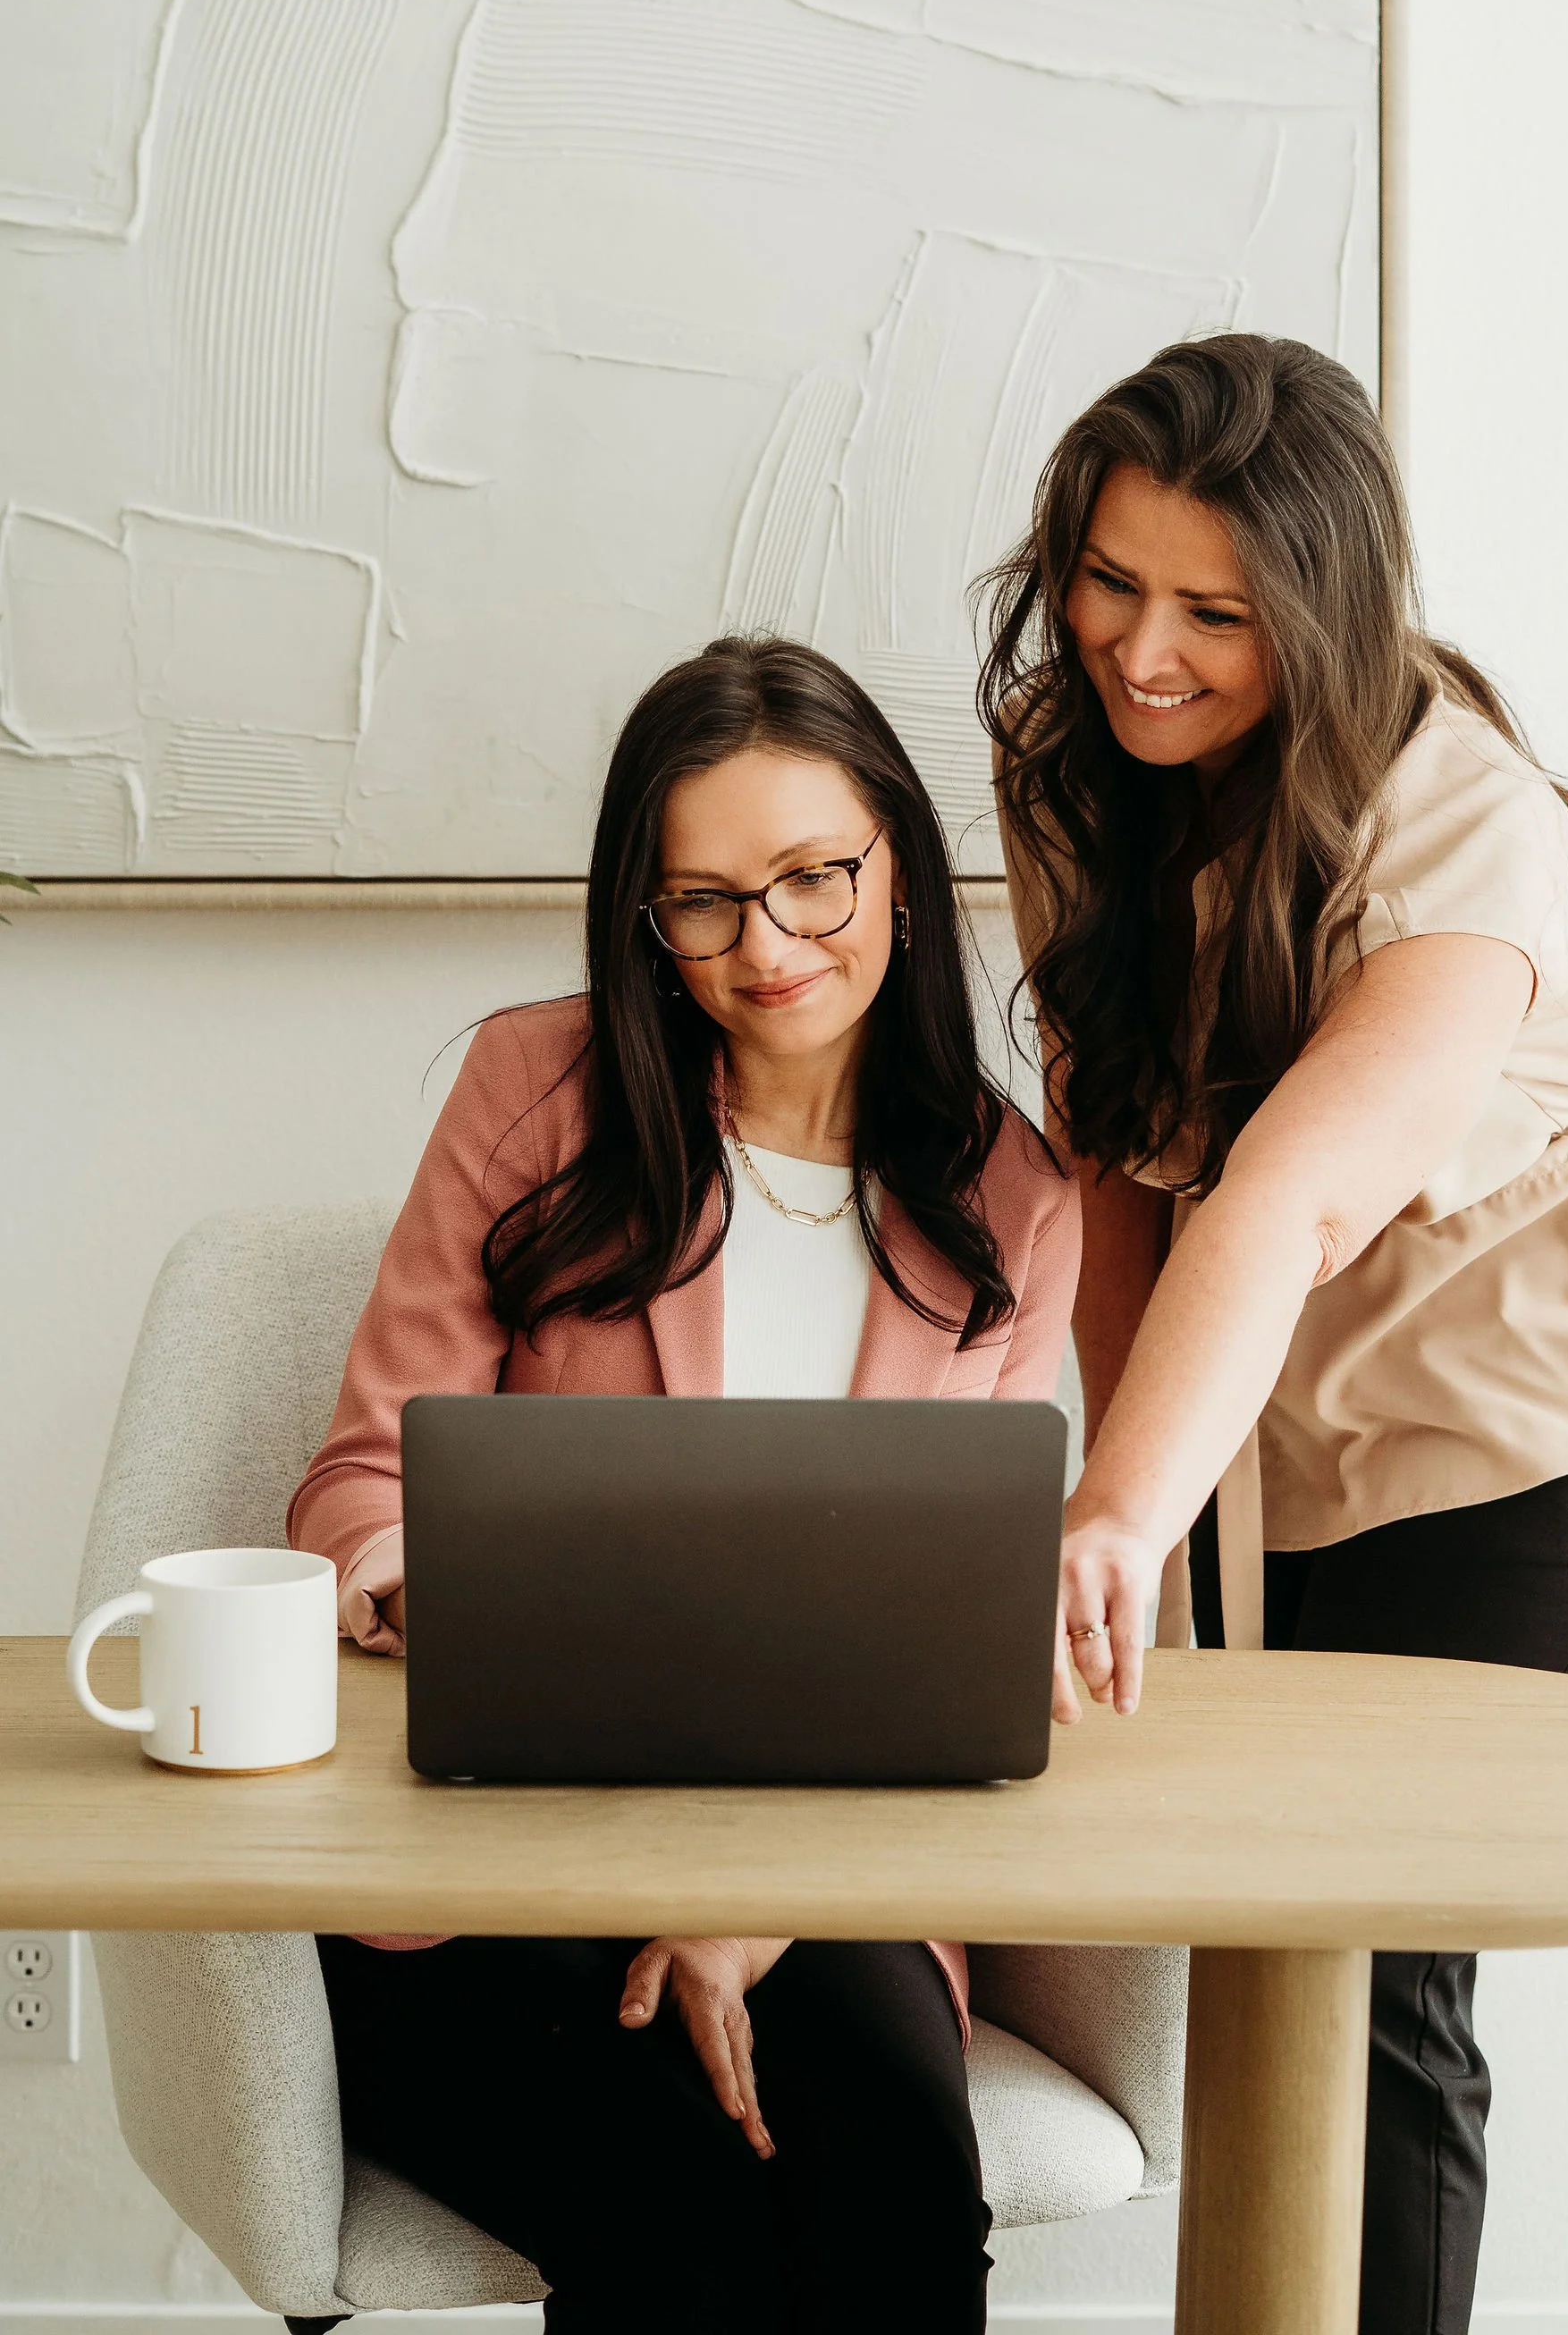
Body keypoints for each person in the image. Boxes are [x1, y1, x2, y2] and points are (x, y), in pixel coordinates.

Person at [980, 333, 1568, 2335]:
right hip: (1285, 1436)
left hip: (1555, 1448)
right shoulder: (1086, 769)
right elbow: (1127, 1183)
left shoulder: (1465, 836)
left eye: (1214, 614)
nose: (1141, 651)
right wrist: (1118, 1515)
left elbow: (1287, 1199)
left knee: (1377, 1965)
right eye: (1109, 580)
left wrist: (1130, 1505)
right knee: (1263, 1940)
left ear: (1320, 616)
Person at [289, 636, 1078, 2335]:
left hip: (834, 1876)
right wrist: (438, 1587)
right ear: (645, 917)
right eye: (703, 903)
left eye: (813, 879)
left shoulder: (1010, 1198)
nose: (767, 946)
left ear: (902, 870)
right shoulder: (539, 1093)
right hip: (502, 1877)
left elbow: (960, 1645)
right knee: (685, 2222)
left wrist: (752, 1906)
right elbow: (361, 1480)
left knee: (895, 2211)